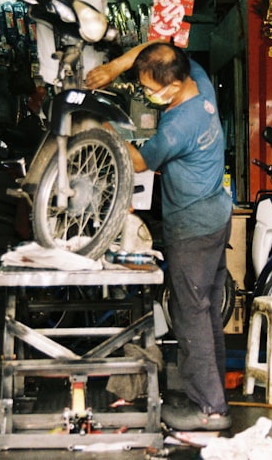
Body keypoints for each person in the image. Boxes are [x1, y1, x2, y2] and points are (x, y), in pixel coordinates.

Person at [86, 40, 233, 432]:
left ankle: (209, 410)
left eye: (151, 89)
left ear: (173, 84)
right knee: (206, 312)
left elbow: (139, 162)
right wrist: (116, 67)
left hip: (193, 226)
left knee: (191, 314)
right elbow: (158, 45)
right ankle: (214, 397)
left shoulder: (178, 124)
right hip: (217, 214)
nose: (147, 94)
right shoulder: (197, 78)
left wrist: (102, 128)